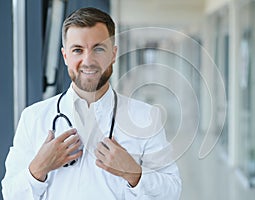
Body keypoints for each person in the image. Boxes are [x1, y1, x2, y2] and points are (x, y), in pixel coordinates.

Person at [1, 7, 181, 200]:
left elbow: (172, 191)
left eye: (98, 49)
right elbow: (10, 194)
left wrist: (133, 173)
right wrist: (39, 168)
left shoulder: (146, 117)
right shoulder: (33, 117)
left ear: (113, 54)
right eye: (78, 50)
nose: (88, 61)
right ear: (65, 56)